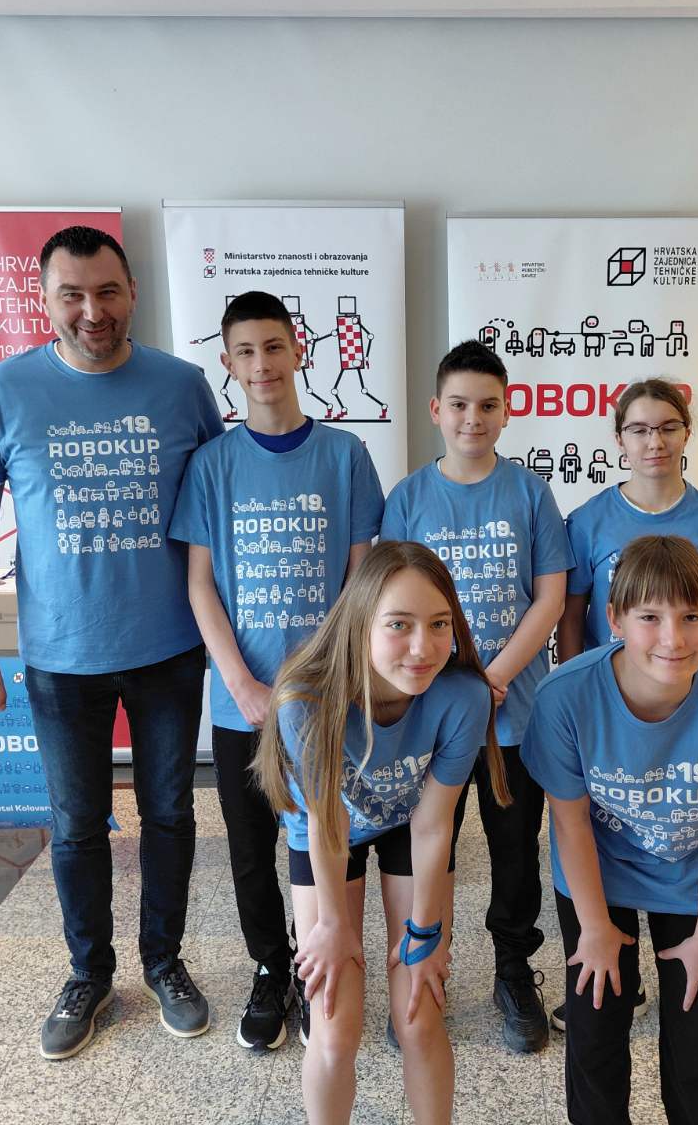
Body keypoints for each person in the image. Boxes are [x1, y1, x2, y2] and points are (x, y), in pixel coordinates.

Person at [0, 225, 223, 1060]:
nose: (91, 311)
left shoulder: (182, 387)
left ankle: (164, 961)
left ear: (133, 292)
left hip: (169, 647)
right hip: (62, 655)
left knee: (170, 813)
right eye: (71, 294)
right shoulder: (7, 389)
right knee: (75, 825)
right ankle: (89, 974)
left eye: (106, 291)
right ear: (45, 301)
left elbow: (219, 511)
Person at [168, 290, 385, 1051]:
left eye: (273, 346)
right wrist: (241, 684)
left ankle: (324, 959)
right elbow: (200, 584)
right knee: (250, 845)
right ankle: (271, 967)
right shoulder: (212, 466)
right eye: (245, 352)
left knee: (326, 836)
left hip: (327, 699)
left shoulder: (345, 456)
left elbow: (361, 580)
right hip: (245, 700)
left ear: (299, 350)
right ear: (228, 365)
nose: (262, 364)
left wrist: (332, 679)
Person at [522, 536, 698, 1125]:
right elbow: (570, 822)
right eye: (649, 617)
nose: (673, 638)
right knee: (595, 1023)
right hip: (598, 872)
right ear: (614, 619)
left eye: (692, 616)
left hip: (691, 876)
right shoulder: (565, 698)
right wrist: (594, 928)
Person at [255, 541, 505, 1125]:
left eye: (439, 624)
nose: (422, 648)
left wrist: (425, 933)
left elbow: (434, 825)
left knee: (419, 1015)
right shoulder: (306, 700)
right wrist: (332, 926)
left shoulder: (463, 696)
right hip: (328, 834)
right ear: (360, 623)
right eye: (399, 625)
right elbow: (326, 822)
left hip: (409, 824)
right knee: (334, 1026)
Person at [379, 340, 570, 1053]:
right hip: (428, 718)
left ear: (508, 411)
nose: (473, 418)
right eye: (459, 404)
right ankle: (422, 974)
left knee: (515, 850)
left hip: (513, 713)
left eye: (488, 405)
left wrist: (492, 680)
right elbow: (386, 604)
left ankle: (514, 970)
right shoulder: (408, 498)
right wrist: (452, 691)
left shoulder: (530, 493)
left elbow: (549, 598)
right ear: (436, 410)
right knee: (426, 851)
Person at [558, 378, 698, 668]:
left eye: (669, 428)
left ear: (687, 434)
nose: (655, 443)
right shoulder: (587, 521)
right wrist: (571, 683)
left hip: (688, 678)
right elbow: (571, 617)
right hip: (608, 681)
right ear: (620, 439)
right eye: (639, 430)